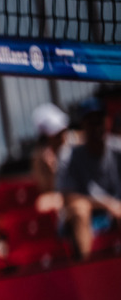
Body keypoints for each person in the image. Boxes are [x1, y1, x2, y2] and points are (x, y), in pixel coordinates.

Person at [57, 95, 121, 258]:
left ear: (106, 121)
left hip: (116, 211)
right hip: (87, 215)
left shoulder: (118, 149)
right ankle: (89, 274)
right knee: (80, 210)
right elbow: (69, 199)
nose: (95, 127)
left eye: (98, 120)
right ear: (83, 124)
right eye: (90, 122)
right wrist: (107, 205)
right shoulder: (69, 155)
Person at [29, 103, 71, 213]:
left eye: (63, 131)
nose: (63, 138)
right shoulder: (41, 159)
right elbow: (48, 189)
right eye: (57, 135)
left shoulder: (77, 144)